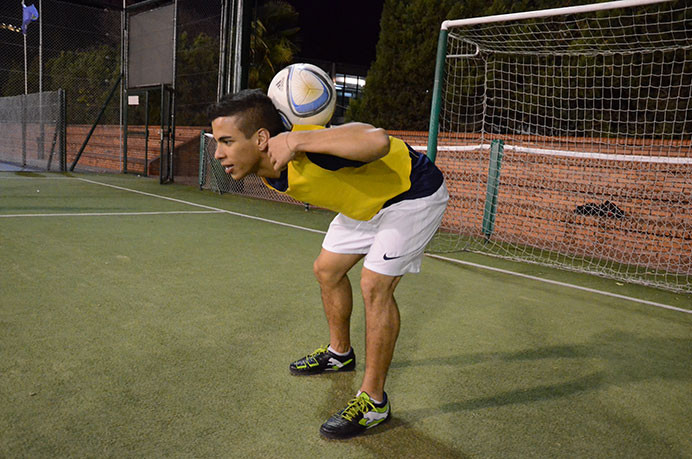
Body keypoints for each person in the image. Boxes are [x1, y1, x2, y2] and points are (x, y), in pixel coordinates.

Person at [208, 89, 448, 439]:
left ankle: (373, 401)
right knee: (326, 270)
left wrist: (296, 139)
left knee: (374, 285)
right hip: (366, 200)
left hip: (411, 194)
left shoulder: (308, 148)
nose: (217, 153)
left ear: (261, 138)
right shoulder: (267, 165)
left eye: (226, 141)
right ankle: (339, 354)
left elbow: (377, 140)